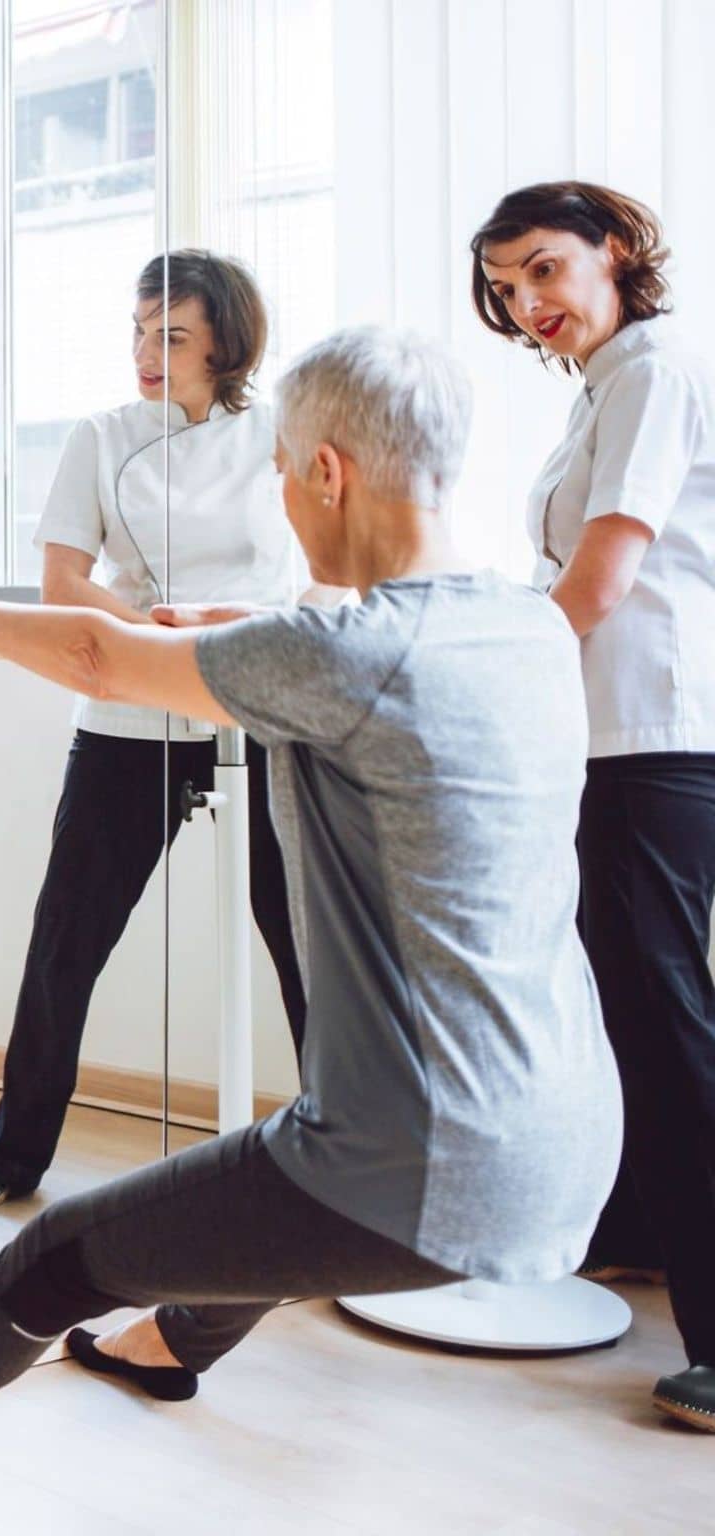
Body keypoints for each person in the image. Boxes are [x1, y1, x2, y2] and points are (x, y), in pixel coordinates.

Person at [0, 326, 620, 1488]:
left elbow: (94, 652)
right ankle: (164, 1344)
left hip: (424, 1164)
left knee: (57, 1252)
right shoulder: (525, 624)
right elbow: (252, 651)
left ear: (326, 472)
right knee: (269, 1173)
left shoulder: (344, 653)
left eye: (281, 473)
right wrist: (201, 628)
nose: (281, 499)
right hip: (574, 1135)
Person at [0, 250, 322, 1210]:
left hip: (258, 699)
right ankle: (11, 1146)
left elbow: (315, 572)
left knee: (309, 940)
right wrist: (142, 631)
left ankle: (345, 1153)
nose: (149, 353)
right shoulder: (103, 436)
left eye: (174, 336)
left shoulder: (281, 430)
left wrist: (223, 627)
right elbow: (62, 584)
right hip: (129, 709)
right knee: (67, 935)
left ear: (225, 343)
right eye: (140, 333)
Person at [474, 180, 715, 1430]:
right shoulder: (598, 389)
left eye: (546, 269)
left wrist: (485, 673)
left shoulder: (647, 373)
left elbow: (601, 578)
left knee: (671, 1025)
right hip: (604, 741)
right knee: (620, 1006)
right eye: (509, 286)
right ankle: (636, 1231)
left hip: (651, 738)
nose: (528, 302)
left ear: (614, 253)